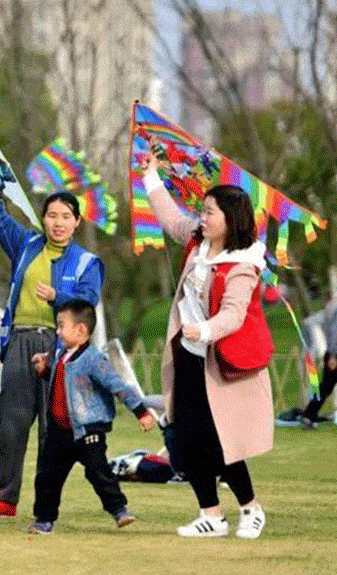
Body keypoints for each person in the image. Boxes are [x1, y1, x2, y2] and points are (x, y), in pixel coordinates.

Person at [142, 150, 273, 539]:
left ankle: (251, 509)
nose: (202, 216)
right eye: (202, 210)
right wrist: (150, 177)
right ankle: (210, 515)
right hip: (187, 356)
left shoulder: (242, 264)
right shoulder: (196, 244)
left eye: (210, 211)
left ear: (230, 219)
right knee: (187, 437)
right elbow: (169, 217)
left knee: (222, 441)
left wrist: (205, 330)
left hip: (219, 362)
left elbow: (234, 314)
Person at [0, 144, 105, 518]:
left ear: (77, 222)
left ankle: (46, 504)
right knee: (11, 422)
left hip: (61, 347)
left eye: (66, 216)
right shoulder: (27, 245)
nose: (58, 222)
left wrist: (58, 297)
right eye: (51, 215)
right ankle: (5, 498)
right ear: (43, 219)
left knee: (54, 429)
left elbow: (88, 302)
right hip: (20, 340)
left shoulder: (87, 262)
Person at [26, 300, 156, 534]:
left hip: (88, 430)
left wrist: (141, 411)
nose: (57, 331)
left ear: (81, 330)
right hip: (58, 431)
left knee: (99, 472)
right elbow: (60, 382)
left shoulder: (94, 359)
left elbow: (118, 385)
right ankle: (44, 519)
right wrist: (44, 368)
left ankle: (119, 509)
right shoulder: (60, 355)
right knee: (47, 477)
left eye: (61, 326)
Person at [298, 303, 337, 429]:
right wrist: (332, 355)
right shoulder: (322, 318)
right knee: (319, 386)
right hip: (318, 353)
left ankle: (309, 414)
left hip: (320, 352)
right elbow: (332, 334)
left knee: (322, 386)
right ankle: (309, 414)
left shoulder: (326, 313)